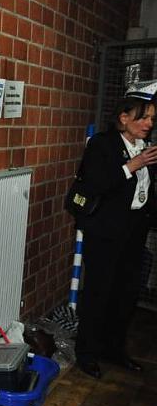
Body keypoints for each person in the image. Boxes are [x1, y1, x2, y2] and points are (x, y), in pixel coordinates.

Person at [73, 92, 157, 379]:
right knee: (99, 292)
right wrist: (133, 165)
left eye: (152, 119)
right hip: (105, 232)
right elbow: (97, 184)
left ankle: (113, 349)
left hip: (134, 231)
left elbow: (146, 192)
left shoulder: (145, 147)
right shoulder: (102, 144)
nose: (149, 124)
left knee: (126, 293)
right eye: (143, 118)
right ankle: (87, 353)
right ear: (124, 118)